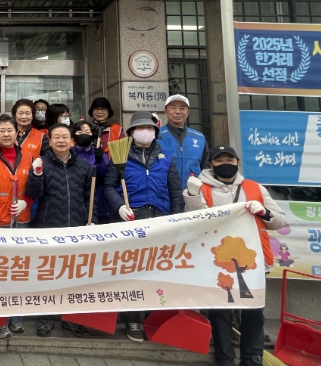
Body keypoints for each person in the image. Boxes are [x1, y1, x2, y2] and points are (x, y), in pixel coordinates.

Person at [183, 145, 287, 366]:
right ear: (210, 164)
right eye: (219, 161)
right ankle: (225, 357)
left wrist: (264, 212)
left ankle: (252, 357)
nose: (225, 164)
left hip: (252, 260)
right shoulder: (200, 188)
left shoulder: (255, 188)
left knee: (253, 311)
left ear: (238, 162)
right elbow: (193, 222)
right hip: (216, 260)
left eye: (229, 160)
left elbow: (280, 221)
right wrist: (192, 195)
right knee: (220, 311)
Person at [103, 111, 184, 342]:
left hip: (160, 219)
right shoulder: (119, 155)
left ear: (155, 132)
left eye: (149, 128)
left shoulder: (165, 158)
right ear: (131, 132)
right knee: (131, 271)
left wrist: (176, 220)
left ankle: (154, 318)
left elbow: (175, 191)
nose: (145, 132)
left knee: (156, 272)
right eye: (140, 128)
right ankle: (132, 319)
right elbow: (108, 186)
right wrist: (119, 206)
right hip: (131, 218)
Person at [25, 122, 97, 338]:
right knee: (49, 275)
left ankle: (71, 318)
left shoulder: (83, 166)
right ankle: (46, 317)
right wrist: (36, 174)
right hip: (49, 227)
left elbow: (90, 197)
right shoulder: (42, 162)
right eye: (56, 137)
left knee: (74, 275)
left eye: (65, 136)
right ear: (50, 140)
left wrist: (91, 220)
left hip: (77, 227)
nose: (61, 140)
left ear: (72, 141)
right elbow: (33, 193)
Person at [0, 114, 34, 338]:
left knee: (19, 271)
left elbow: (35, 186)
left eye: (9, 130)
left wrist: (25, 202)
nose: (5, 134)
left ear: (17, 132)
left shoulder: (28, 156)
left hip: (22, 220)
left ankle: (16, 318)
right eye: (1, 130)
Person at [158, 94, 209, 190]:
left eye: (182, 108)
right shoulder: (156, 136)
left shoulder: (199, 137)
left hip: (193, 193)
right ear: (166, 111)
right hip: (164, 193)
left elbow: (205, 168)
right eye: (173, 108)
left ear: (188, 112)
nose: (178, 111)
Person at [72, 121, 110, 224]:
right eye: (80, 132)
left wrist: (100, 161)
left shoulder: (98, 153)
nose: (84, 134)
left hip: (98, 200)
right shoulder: (69, 153)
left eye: (87, 132)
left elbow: (106, 175)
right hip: (76, 203)